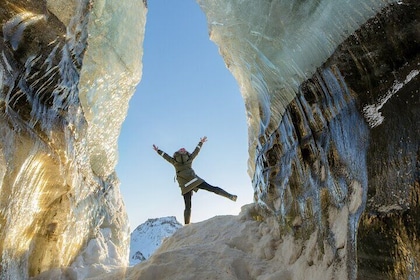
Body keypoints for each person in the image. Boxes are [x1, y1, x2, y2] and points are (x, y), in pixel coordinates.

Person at [153, 136, 237, 224]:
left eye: (184, 149)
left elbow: (196, 152)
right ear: (177, 152)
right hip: (191, 182)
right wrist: (158, 151)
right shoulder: (176, 161)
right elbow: (165, 156)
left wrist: (201, 143)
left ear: (185, 152)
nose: (182, 149)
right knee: (190, 204)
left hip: (188, 183)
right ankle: (187, 226)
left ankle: (230, 196)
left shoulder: (181, 160)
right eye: (181, 149)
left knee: (191, 204)